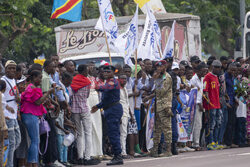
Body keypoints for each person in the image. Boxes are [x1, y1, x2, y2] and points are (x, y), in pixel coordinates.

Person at [21, 70, 54, 167]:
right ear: (34, 77)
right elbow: (38, 102)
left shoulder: (32, 87)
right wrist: (48, 92)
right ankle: (33, 163)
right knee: (35, 140)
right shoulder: (32, 88)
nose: (40, 80)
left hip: (30, 115)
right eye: (39, 78)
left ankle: (32, 162)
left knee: (34, 140)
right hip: (30, 115)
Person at [91, 65, 124, 166]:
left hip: (113, 109)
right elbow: (105, 100)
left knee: (114, 134)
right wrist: (97, 106)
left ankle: (118, 156)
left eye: (108, 71)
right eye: (104, 71)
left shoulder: (113, 82)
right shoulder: (108, 82)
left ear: (113, 73)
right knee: (112, 134)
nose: (105, 73)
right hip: (109, 108)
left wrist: (95, 86)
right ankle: (117, 155)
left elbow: (105, 88)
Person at [71, 64, 100, 165]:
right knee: (88, 133)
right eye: (87, 70)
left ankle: (80, 157)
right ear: (83, 71)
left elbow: (71, 94)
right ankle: (87, 157)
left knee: (79, 134)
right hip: (84, 108)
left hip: (74, 110)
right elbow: (87, 95)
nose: (88, 72)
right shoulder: (87, 81)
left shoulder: (73, 80)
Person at [150, 60, 173, 157]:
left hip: (164, 106)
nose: (159, 69)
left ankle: (168, 150)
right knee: (157, 129)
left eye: (161, 67)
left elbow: (161, 91)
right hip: (158, 105)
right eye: (157, 67)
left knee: (167, 128)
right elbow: (152, 88)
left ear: (165, 67)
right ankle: (155, 150)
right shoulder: (159, 77)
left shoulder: (166, 77)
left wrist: (151, 93)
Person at [1, 60, 21, 167]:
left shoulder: (14, 80)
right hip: (7, 117)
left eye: (14, 68)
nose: (12, 70)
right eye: (10, 68)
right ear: (5, 69)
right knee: (11, 143)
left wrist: (18, 99)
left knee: (17, 141)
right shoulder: (2, 80)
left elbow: (15, 97)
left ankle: (6, 161)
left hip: (14, 116)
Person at [203, 60, 222, 150]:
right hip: (211, 104)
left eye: (219, 68)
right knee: (212, 124)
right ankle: (210, 142)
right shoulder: (208, 76)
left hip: (218, 104)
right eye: (217, 67)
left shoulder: (217, 77)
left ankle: (216, 141)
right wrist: (207, 100)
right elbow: (205, 90)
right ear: (213, 67)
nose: (218, 69)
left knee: (218, 123)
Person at [190, 63, 205, 150]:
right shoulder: (194, 79)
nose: (204, 73)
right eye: (202, 71)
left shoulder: (201, 79)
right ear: (198, 71)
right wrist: (199, 104)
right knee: (197, 124)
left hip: (200, 104)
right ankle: (195, 144)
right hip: (195, 104)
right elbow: (193, 93)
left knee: (199, 125)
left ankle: (196, 142)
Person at [224, 63, 238, 147]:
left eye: (234, 70)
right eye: (232, 70)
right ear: (228, 68)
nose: (233, 72)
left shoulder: (233, 78)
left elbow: (233, 89)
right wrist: (226, 102)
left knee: (232, 123)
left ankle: (230, 141)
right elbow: (223, 91)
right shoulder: (224, 77)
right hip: (227, 103)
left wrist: (235, 99)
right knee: (227, 123)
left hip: (233, 102)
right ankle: (227, 142)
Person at [118, 74, 130, 158]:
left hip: (126, 113)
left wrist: (131, 115)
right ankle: (123, 152)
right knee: (122, 133)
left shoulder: (125, 88)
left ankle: (123, 151)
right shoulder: (117, 90)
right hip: (120, 114)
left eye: (125, 79)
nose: (124, 80)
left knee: (124, 133)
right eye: (122, 78)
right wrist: (119, 116)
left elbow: (127, 103)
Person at [0, 80, 8, 166]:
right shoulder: (1, 95)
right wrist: (4, 127)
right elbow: (2, 112)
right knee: (2, 148)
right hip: (1, 124)